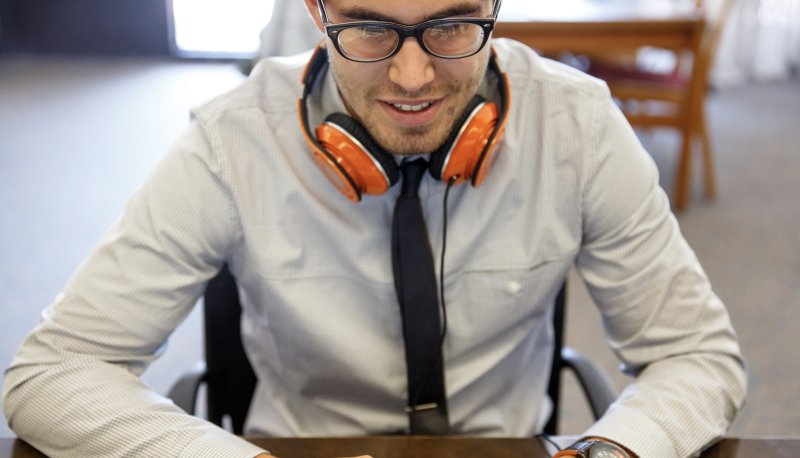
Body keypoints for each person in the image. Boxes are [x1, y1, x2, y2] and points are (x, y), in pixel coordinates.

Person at [3, 0, 747, 457]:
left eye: (453, 25)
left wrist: (607, 452)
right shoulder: (232, 139)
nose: (415, 79)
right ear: (316, 12)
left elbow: (696, 356)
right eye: (367, 29)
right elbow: (52, 373)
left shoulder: (578, 125)